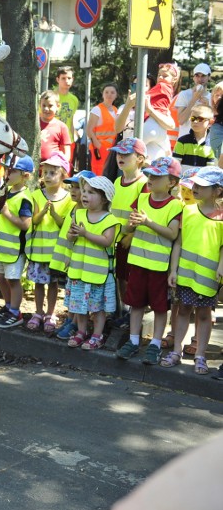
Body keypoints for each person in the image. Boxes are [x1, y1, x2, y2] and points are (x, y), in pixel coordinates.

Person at [115, 156, 182, 364]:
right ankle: (134, 341)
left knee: (161, 307)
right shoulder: (142, 199)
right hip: (137, 263)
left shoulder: (175, 205)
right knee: (136, 304)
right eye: (150, 174)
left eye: (157, 176)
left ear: (172, 182)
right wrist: (130, 226)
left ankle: (154, 344)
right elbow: (129, 227)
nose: (151, 178)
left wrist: (147, 222)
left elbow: (172, 234)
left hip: (159, 267)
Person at [161, 166, 223, 374]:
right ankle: (176, 350)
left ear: (217, 191)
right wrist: (173, 270)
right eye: (195, 184)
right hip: (185, 273)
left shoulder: (221, 217)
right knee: (183, 309)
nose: (195, 188)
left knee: (204, 314)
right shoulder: (187, 211)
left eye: (202, 186)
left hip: (207, 276)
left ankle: (200, 355)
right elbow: (178, 243)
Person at [65, 176, 120, 349]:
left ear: (104, 198)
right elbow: (69, 236)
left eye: (91, 192)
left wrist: (85, 234)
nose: (84, 195)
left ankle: (97, 335)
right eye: (85, 191)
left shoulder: (110, 219)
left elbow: (107, 241)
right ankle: (81, 332)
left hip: (98, 275)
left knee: (98, 308)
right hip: (79, 271)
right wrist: (72, 235)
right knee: (79, 306)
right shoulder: (78, 213)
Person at [25, 152, 73, 334]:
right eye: (45, 172)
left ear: (63, 175)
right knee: (38, 283)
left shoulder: (68, 199)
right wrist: (43, 212)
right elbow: (34, 221)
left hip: (56, 252)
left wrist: (53, 214)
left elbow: (64, 224)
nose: (48, 176)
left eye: (53, 173)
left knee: (53, 284)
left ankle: (50, 314)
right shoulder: (37, 195)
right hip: (38, 250)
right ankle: (37, 313)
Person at [49, 170, 96, 340]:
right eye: (72, 187)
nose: (74, 191)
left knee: (77, 294)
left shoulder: (85, 213)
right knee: (70, 293)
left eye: (79, 188)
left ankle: (75, 323)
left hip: (77, 261)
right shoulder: (74, 208)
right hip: (69, 260)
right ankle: (70, 320)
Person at [0, 155, 34, 330]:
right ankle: (8, 307)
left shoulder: (24, 198)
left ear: (25, 176)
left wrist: (7, 214)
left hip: (15, 250)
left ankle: (15, 313)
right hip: (2, 248)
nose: (8, 174)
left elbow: (25, 224)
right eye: (8, 170)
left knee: (13, 280)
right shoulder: (6, 192)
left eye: (13, 171)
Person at [109, 137, 149, 325]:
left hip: (130, 240)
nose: (120, 157)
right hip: (114, 238)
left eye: (126, 154)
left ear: (140, 158)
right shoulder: (117, 181)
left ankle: (132, 314)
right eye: (119, 153)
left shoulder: (144, 184)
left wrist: (132, 235)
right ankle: (123, 311)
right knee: (120, 276)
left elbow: (144, 213)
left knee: (130, 278)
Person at [86, 83, 119, 176]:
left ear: (116, 95)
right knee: (99, 174)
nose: (109, 94)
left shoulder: (116, 110)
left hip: (112, 149)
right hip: (100, 149)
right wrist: (98, 146)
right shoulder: (97, 109)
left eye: (112, 92)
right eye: (106, 92)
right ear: (102, 94)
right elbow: (89, 130)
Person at [173, 63, 212, 138]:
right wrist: (193, 100)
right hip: (185, 141)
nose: (200, 79)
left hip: (204, 143)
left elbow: (212, 123)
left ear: (209, 77)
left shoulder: (212, 97)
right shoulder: (184, 94)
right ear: (193, 77)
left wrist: (207, 108)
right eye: (197, 76)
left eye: (203, 76)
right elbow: (181, 120)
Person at [173, 104, 216, 171]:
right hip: (183, 180)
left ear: (210, 122)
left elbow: (209, 170)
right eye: (193, 118)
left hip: (201, 180)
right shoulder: (182, 141)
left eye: (200, 119)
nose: (195, 121)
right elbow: (175, 165)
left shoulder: (212, 144)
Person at [39, 90, 72, 161]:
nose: (46, 109)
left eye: (50, 106)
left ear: (58, 106)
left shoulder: (61, 127)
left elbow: (67, 153)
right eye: (43, 105)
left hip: (52, 169)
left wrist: (62, 166)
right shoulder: (35, 123)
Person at [55, 66, 78, 140]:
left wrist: (73, 138)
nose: (66, 81)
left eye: (69, 78)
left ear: (72, 80)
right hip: (52, 139)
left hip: (68, 140)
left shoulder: (74, 100)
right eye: (63, 78)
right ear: (57, 79)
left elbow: (70, 121)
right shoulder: (49, 96)